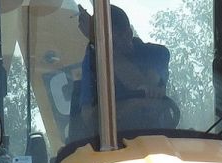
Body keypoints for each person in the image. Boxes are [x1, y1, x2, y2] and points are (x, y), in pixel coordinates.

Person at [72, 4, 175, 138]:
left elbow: (145, 89)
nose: (107, 50)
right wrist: (133, 104)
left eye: (111, 44)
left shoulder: (156, 54)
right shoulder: (93, 62)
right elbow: (89, 118)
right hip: (115, 148)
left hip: (157, 140)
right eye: (105, 45)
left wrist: (100, 42)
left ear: (128, 34)